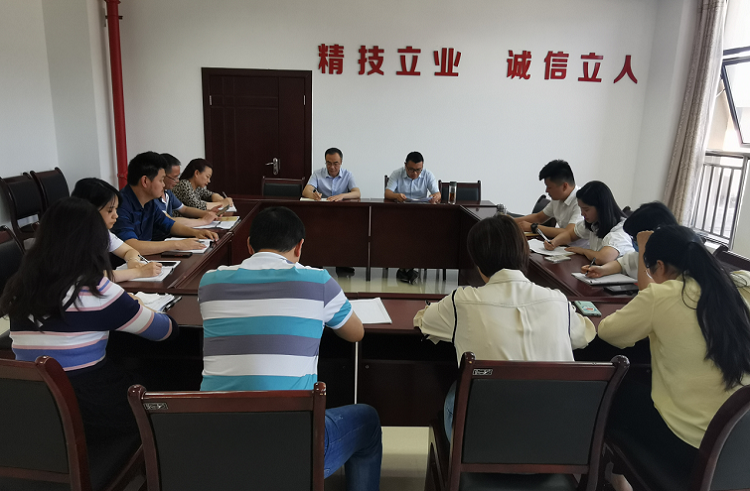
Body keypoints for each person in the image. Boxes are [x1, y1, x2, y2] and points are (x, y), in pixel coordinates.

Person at [198, 206, 382, 490]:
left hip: (217, 443)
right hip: (290, 449)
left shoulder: (210, 282)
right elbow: (355, 333)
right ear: (299, 247)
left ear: (249, 246)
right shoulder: (318, 282)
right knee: (367, 420)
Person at [0, 197, 177, 450]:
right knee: (163, 377)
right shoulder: (98, 290)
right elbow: (166, 332)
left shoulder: (20, 286)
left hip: (32, 406)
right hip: (89, 408)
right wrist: (138, 306)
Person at [414, 215, 596, 439]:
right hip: (555, 440)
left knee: (456, 389)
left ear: (477, 262)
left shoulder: (462, 302)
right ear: (524, 253)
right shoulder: (557, 301)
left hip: (484, 441)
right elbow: (584, 336)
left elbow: (425, 321)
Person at [598, 226, 750, 491]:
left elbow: (609, 332)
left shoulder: (663, 295)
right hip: (740, 448)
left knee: (614, 391)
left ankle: (616, 480)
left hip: (693, 451)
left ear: (659, 266)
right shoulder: (736, 292)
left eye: (649, 271)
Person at [112, 152, 219, 255]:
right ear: (145, 181)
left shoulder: (149, 202)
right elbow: (131, 246)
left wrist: (196, 233)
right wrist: (177, 244)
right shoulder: (120, 205)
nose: (163, 185)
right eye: (161, 180)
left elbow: (169, 224)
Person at [72, 177, 163, 282]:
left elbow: (129, 250)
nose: (116, 215)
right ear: (89, 209)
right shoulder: (73, 238)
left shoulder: (102, 232)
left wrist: (133, 261)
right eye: (110, 210)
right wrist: (139, 272)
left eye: (116, 209)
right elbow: (92, 276)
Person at [581, 201, 677, 288]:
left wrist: (643, 248)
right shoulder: (649, 254)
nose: (635, 242)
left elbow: (649, 290)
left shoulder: (675, 264)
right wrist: (602, 270)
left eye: (636, 239)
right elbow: (622, 263)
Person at [544, 180, 634, 264]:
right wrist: (555, 242)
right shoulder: (594, 222)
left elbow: (602, 258)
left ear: (601, 208)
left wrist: (583, 251)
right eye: (581, 209)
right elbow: (570, 235)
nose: (582, 213)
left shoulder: (620, 231)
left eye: (586, 209)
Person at [386, 151, 441, 283]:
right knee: (404, 234)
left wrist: (434, 197)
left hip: (420, 214)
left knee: (419, 233)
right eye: (411, 170)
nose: (415, 173)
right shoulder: (397, 173)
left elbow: (437, 194)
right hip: (400, 214)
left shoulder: (428, 174)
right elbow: (387, 193)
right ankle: (407, 268)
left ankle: (407, 268)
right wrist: (396, 196)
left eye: (418, 170)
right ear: (405, 165)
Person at [514, 159, 585, 243]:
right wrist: (510, 221)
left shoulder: (582, 201)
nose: (546, 191)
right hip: (561, 246)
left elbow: (568, 233)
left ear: (564, 186)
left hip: (579, 250)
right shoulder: (557, 199)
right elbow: (538, 217)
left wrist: (533, 227)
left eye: (549, 187)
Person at [154, 153, 219, 240]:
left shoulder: (167, 192)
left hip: (170, 236)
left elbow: (184, 209)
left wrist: (207, 214)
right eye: (174, 177)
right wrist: (203, 221)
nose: (178, 181)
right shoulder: (153, 197)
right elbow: (169, 221)